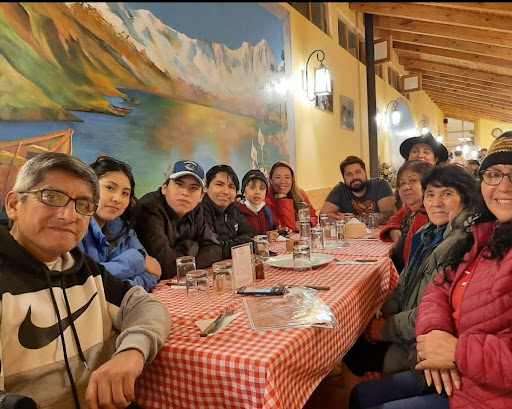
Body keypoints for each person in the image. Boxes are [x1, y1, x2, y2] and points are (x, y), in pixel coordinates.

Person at [349, 131, 512, 409]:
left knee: (358, 363)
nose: (504, 186)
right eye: (494, 174)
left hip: (483, 388)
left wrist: (456, 352)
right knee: (360, 395)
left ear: (466, 197)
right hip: (454, 363)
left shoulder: (463, 236)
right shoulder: (483, 236)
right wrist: (436, 333)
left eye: (446, 193)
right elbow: (438, 291)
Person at [1, 152, 171, 409]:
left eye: (83, 204)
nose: (68, 215)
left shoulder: (83, 269)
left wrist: (131, 352)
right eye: (51, 197)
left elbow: (146, 305)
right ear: (14, 205)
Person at [345, 164, 479, 408]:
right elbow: (404, 284)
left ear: (466, 197)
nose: (436, 202)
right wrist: (383, 317)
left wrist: (386, 328)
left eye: (447, 194)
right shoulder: (429, 232)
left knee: (353, 354)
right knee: (353, 347)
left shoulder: (463, 241)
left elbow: (442, 312)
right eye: (431, 194)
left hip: (425, 347)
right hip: (416, 335)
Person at [78, 155, 161, 292]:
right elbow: (82, 281)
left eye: (125, 193)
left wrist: (122, 286)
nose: (117, 199)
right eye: (110, 187)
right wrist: (136, 260)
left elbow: (152, 273)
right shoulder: (73, 227)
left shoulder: (123, 228)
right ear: (89, 187)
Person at [134, 159, 222, 279]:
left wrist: (183, 261)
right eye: (179, 184)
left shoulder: (196, 209)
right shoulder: (149, 208)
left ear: (201, 196)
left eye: (193, 188)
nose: (185, 193)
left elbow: (215, 249)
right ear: (164, 188)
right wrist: (192, 246)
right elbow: (166, 266)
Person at [380, 161, 433, 273]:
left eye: (412, 181)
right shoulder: (409, 209)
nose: (405, 187)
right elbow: (393, 220)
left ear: (427, 185)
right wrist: (394, 231)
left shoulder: (429, 216)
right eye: (402, 183)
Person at [201, 164, 257, 259]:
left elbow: (252, 235)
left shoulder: (233, 209)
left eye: (231, 187)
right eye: (219, 185)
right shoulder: (200, 211)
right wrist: (243, 243)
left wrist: (229, 245)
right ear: (206, 187)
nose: (226, 191)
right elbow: (213, 249)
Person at [320, 156, 396, 224]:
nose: (354, 177)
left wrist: (353, 219)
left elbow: (389, 216)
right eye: (349, 174)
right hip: (351, 235)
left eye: (358, 172)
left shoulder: (380, 185)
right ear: (344, 178)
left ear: (365, 173)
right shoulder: (340, 190)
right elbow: (323, 217)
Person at [266, 161, 318, 231]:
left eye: (287, 177)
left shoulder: (300, 194)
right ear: (271, 180)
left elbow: (313, 216)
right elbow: (287, 227)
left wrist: (308, 222)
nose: (283, 181)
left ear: (292, 180)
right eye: (278, 177)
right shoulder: (266, 201)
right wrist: (283, 199)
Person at [235, 169, 278, 241]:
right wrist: (264, 237)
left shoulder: (266, 211)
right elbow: (239, 239)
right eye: (252, 188)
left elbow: (271, 230)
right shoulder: (237, 213)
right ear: (244, 191)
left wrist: (279, 231)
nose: (257, 192)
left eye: (262, 188)